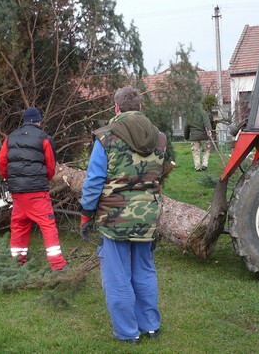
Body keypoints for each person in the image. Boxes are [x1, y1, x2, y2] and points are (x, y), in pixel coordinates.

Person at [79, 86, 168, 345]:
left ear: (116, 108)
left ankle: (127, 332)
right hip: (148, 217)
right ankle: (150, 325)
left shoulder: (106, 136)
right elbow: (158, 175)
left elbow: (94, 180)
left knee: (117, 275)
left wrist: (86, 214)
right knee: (144, 270)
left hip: (114, 219)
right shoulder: (159, 138)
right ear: (140, 107)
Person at [0, 107, 67, 271]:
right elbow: (50, 166)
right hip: (37, 193)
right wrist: (44, 180)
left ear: (24, 120)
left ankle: (17, 263)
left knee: (19, 226)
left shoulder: (10, 138)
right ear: (39, 121)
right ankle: (58, 266)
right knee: (48, 226)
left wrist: (10, 178)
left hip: (18, 193)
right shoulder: (44, 138)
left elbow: (1, 162)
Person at [183, 104, 213, 171]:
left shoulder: (190, 116)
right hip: (204, 137)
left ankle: (197, 167)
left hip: (194, 138)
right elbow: (207, 123)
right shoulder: (203, 114)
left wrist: (186, 137)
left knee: (196, 152)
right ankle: (205, 164)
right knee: (206, 150)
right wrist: (209, 130)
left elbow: (186, 128)